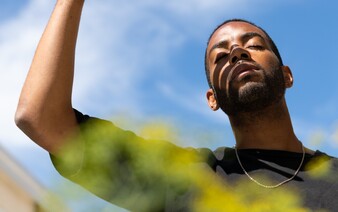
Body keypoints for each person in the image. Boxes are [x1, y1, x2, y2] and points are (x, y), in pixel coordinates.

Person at [15, 0, 338, 211]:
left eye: (254, 45)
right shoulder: (189, 177)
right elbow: (40, 117)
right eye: (221, 57)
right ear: (212, 99)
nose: (237, 53)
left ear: (287, 76)